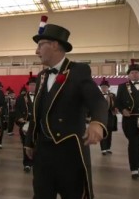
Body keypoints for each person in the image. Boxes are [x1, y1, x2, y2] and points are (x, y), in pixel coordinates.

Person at [24, 23, 108, 199]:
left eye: (40, 45)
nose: (36, 51)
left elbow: (98, 100)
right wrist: (30, 141)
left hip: (69, 152)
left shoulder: (78, 71)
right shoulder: (41, 76)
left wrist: (96, 122)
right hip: (43, 152)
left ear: (54, 45)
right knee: (41, 194)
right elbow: (36, 113)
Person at [15, 72, 36, 173]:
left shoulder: (42, 97)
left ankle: (36, 162)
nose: (32, 87)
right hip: (25, 125)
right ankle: (27, 163)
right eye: (31, 85)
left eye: (34, 85)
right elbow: (17, 110)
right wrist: (19, 118)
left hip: (37, 126)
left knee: (37, 145)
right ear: (28, 86)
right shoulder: (20, 98)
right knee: (26, 145)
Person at [99, 77, 118, 155]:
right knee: (103, 132)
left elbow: (116, 104)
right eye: (103, 87)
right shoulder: (98, 95)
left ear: (108, 87)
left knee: (109, 132)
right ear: (101, 87)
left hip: (110, 116)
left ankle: (108, 148)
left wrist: (116, 109)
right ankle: (103, 149)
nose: (104, 88)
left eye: (105, 87)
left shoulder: (112, 95)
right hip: (101, 116)